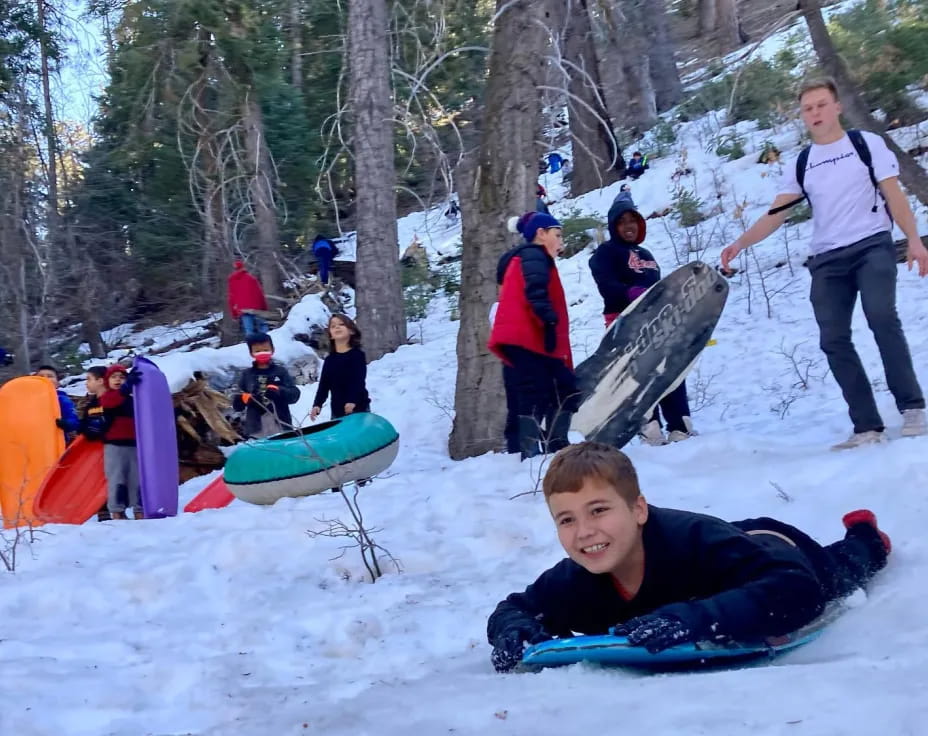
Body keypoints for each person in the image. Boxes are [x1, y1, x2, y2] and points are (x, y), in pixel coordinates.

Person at [487, 442, 891, 673]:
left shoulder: (695, 538)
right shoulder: (577, 577)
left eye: (599, 510)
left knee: (846, 568)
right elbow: (514, 608)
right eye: (566, 520)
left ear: (638, 509)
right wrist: (514, 631)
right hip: (726, 547)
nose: (584, 532)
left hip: (778, 551)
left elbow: (795, 589)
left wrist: (690, 620)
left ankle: (866, 533)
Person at [721, 78, 928, 449]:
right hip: (828, 259)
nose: (815, 113)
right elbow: (776, 213)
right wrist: (741, 242)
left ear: (836, 107)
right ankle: (867, 427)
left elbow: (894, 195)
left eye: (821, 105)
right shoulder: (803, 162)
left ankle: (911, 406)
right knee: (833, 339)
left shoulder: (865, 145)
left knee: (881, 317)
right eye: (808, 108)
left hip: (871, 246)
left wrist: (914, 240)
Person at [589, 198, 695, 445]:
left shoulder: (645, 254)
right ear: (613, 226)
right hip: (625, 322)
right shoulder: (606, 252)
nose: (629, 226)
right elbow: (605, 283)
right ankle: (649, 427)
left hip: (659, 320)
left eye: (633, 221)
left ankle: (680, 425)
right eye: (622, 221)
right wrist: (629, 292)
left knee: (671, 368)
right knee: (640, 374)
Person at [488, 212, 578, 459]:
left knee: (557, 387)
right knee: (539, 390)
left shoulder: (529, 258)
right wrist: (548, 322)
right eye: (557, 235)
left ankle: (549, 443)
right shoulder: (533, 255)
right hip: (528, 336)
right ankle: (534, 449)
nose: (561, 242)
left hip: (526, 337)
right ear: (541, 233)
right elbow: (535, 291)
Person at [232, 332, 300, 438]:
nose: (262, 353)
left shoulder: (280, 371)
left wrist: (279, 390)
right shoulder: (247, 374)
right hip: (256, 426)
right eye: (257, 351)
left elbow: (295, 395)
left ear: (272, 350)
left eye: (265, 350)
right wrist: (243, 399)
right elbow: (236, 403)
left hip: (281, 424)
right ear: (251, 353)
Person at [79, 366, 125, 522]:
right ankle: (103, 513)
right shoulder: (91, 404)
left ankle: (120, 513)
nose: (87, 384)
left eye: (89, 379)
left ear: (100, 381)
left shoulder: (113, 401)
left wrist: (98, 429)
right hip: (95, 452)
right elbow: (85, 425)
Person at [99, 364, 143, 520]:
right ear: (107, 381)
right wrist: (126, 387)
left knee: (137, 478)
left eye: (122, 377)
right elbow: (111, 403)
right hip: (114, 446)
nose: (118, 380)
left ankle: (139, 510)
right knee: (116, 478)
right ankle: (117, 511)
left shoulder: (133, 399)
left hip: (134, 445)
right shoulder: (107, 397)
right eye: (114, 377)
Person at [310, 314, 371, 421]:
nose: (337, 327)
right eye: (333, 326)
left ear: (351, 331)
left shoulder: (357, 355)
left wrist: (352, 400)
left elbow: (358, 380)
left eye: (341, 324)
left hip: (359, 408)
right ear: (331, 335)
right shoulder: (330, 360)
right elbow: (324, 385)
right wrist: (317, 404)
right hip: (337, 412)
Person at [34, 364, 79, 443]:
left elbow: (74, 421)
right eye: (41, 376)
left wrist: (66, 423)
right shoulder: (28, 399)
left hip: (55, 444)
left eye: (50, 376)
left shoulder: (62, 399)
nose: (45, 379)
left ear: (57, 383)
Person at [227, 260, 269, 338]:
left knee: (249, 331)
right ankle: (266, 344)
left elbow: (231, 299)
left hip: (243, 310)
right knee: (263, 327)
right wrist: (264, 308)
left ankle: (254, 347)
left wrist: (234, 314)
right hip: (256, 309)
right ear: (243, 267)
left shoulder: (232, 281)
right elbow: (260, 294)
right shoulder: (251, 279)